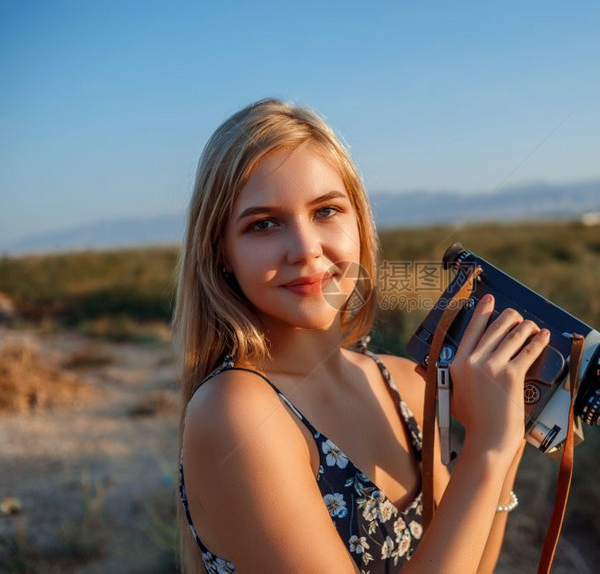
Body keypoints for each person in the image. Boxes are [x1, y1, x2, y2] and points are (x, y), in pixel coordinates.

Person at [173, 98, 552, 573]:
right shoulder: (236, 411)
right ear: (221, 251)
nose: (306, 249)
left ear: (359, 222)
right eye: (263, 224)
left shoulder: (405, 384)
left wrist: (507, 435)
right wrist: (487, 449)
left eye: (326, 211)